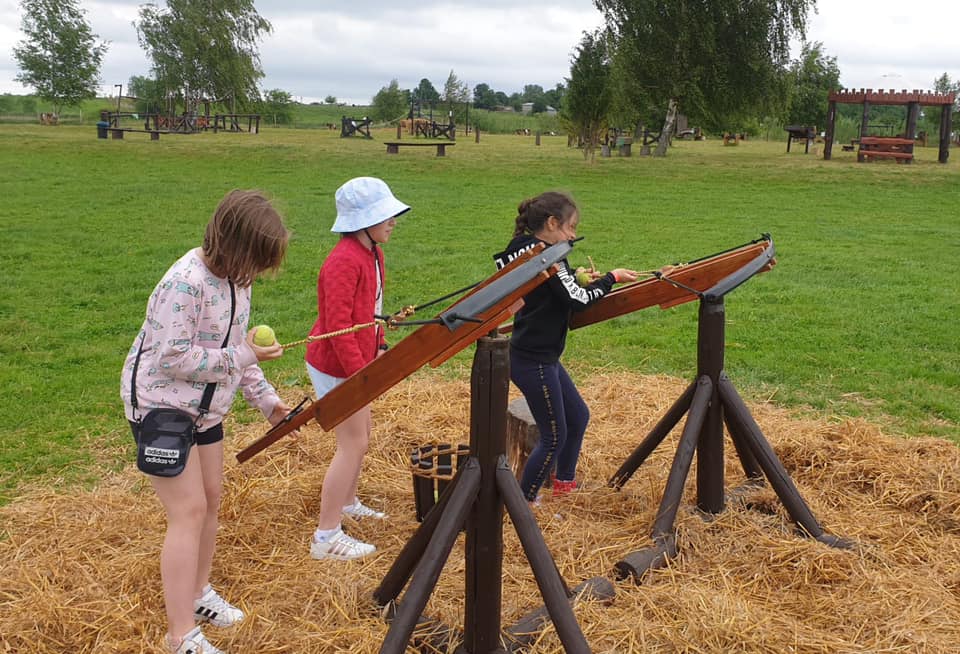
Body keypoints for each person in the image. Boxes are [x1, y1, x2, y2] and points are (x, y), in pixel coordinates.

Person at [121, 189, 294, 654]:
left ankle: (198, 597)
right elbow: (172, 357)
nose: (259, 272)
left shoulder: (239, 280)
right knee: (189, 511)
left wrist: (266, 401)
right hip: (162, 405)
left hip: (205, 409)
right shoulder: (187, 282)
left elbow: (241, 351)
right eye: (257, 260)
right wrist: (241, 355)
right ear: (235, 245)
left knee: (211, 500)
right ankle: (180, 636)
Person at [493, 191, 638, 504]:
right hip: (533, 360)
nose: (573, 235)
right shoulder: (548, 257)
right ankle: (524, 503)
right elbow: (577, 301)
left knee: (578, 417)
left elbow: (557, 289)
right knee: (554, 435)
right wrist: (611, 278)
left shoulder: (527, 250)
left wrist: (577, 277)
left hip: (540, 355)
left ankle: (564, 486)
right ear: (551, 223)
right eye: (571, 227)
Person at [305, 176, 411, 561]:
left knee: (361, 436)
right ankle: (326, 536)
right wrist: (359, 376)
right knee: (352, 444)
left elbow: (371, 311)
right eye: (383, 215)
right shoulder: (342, 262)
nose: (392, 221)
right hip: (336, 364)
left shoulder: (373, 253)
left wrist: (380, 345)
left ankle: (348, 503)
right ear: (360, 222)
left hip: (357, 361)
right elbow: (337, 326)